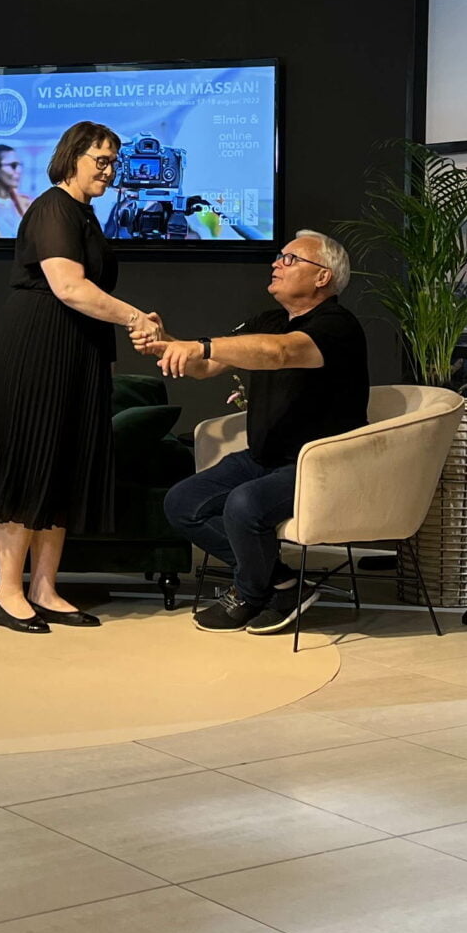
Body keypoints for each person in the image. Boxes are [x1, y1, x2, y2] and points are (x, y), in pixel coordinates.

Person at [0, 121, 158, 633]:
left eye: (114, 162)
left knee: (63, 467)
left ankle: (44, 589)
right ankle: (7, 592)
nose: (110, 171)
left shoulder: (84, 214)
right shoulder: (52, 208)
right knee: (29, 462)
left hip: (77, 352)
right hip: (37, 350)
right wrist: (136, 317)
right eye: (101, 160)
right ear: (72, 158)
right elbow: (69, 287)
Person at [137, 231, 369, 634]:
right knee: (182, 502)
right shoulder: (269, 321)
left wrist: (200, 346)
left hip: (319, 465)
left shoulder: (337, 325)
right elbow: (205, 366)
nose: (276, 263)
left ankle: (248, 592)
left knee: (244, 505)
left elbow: (280, 352)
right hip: (263, 457)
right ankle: (280, 583)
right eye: (279, 256)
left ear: (322, 277)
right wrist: (168, 343)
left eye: (290, 259)